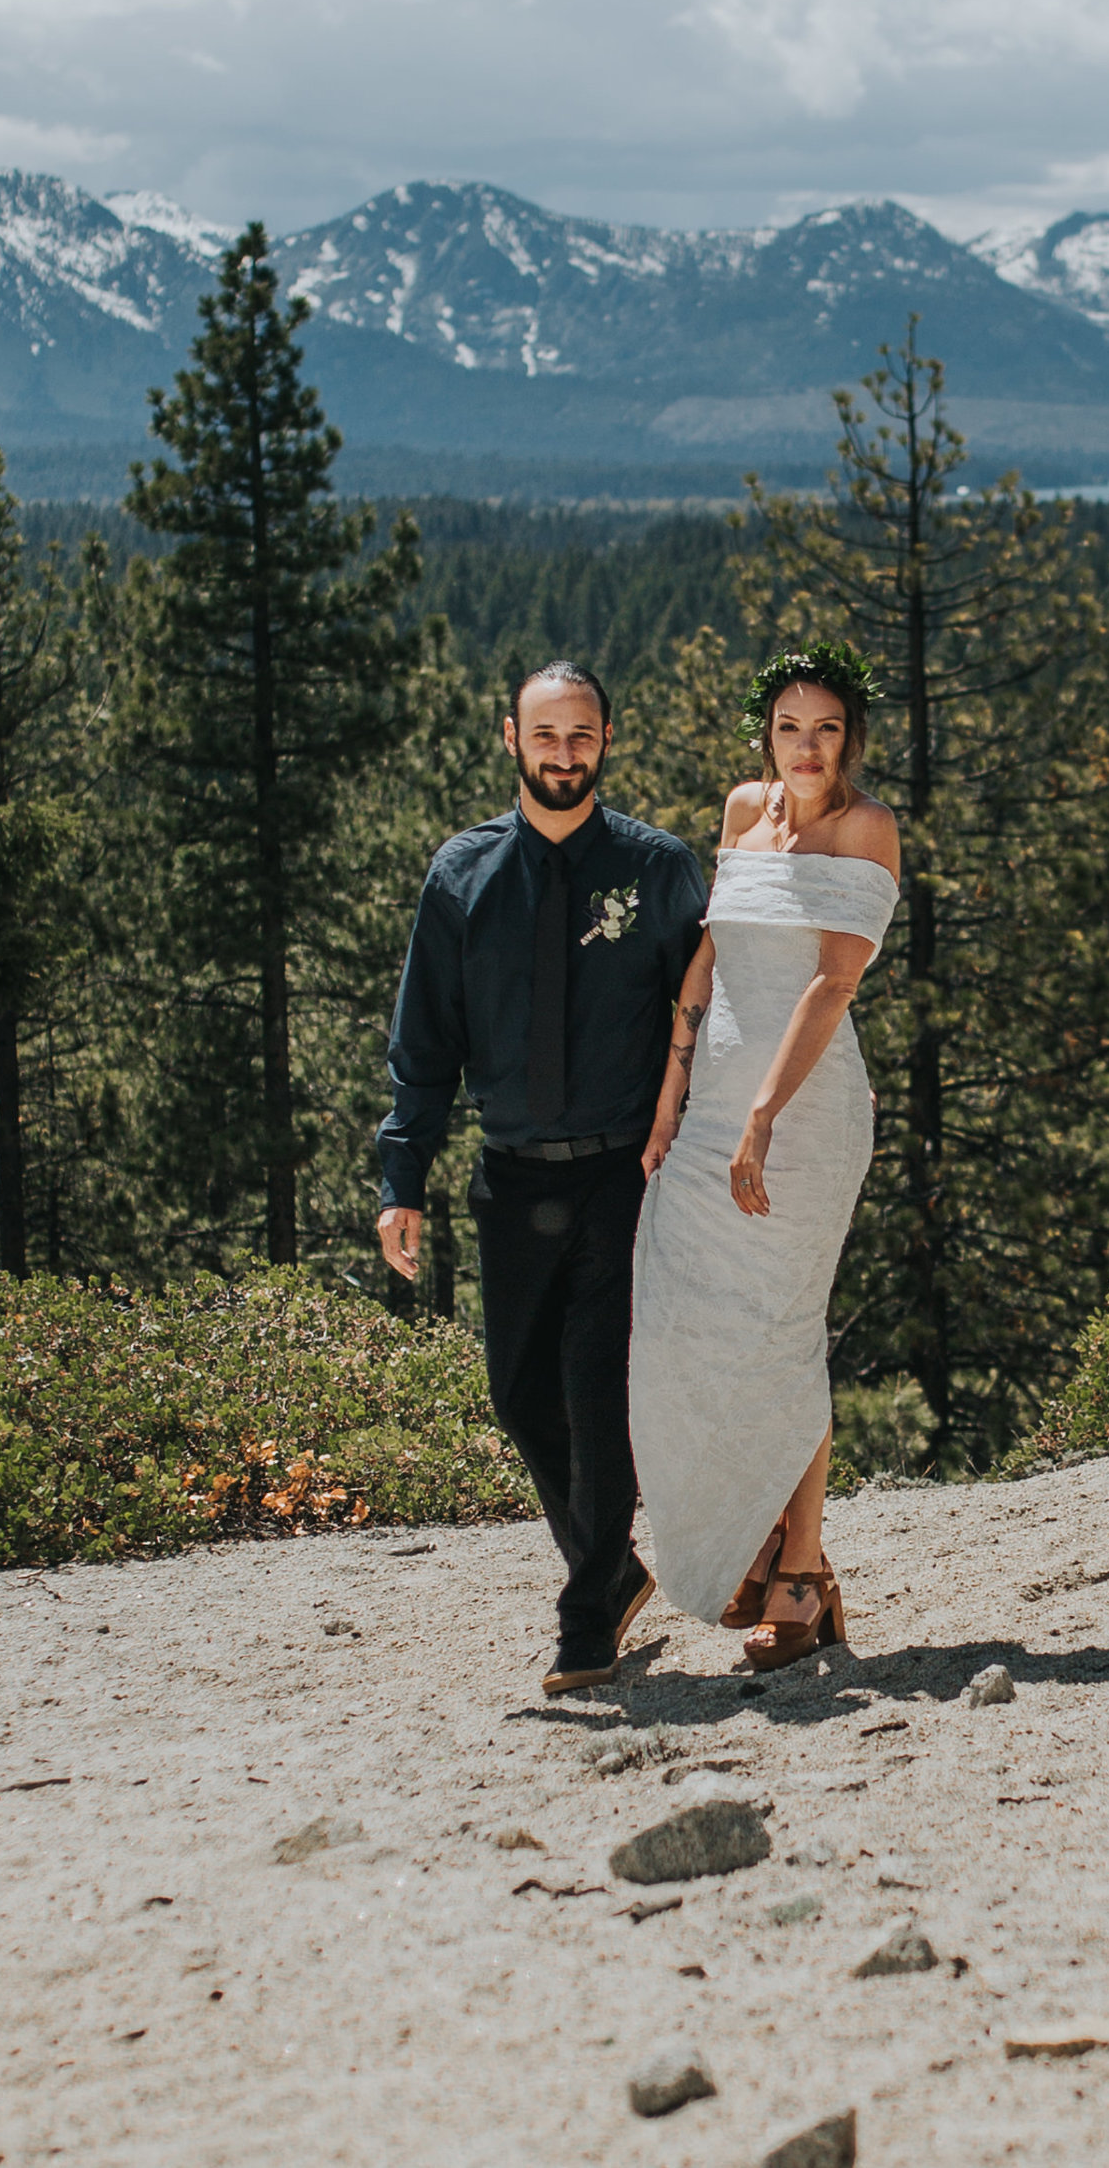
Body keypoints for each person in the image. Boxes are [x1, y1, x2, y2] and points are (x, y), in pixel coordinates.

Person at [377, 658, 709, 1697]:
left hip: (624, 1175)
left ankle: (584, 1620)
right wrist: (402, 1176)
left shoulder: (657, 870)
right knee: (518, 1397)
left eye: (581, 735)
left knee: (595, 1394)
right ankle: (612, 1569)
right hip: (508, 1178)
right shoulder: (461, 876)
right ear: (509, 739)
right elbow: (423, 1041)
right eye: (544, 735)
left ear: (607, 740)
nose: (562, 753)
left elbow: (702, 1021)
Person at [628, 638, 900, 1669]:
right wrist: (673, 1092)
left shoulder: (866, 827)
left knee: (783, 1334)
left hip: (803, 1118)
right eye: (790, 726)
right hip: (709, 1118)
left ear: (852, 740)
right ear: (766, 735)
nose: (807, 746)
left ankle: (800, 1564)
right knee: (690, 1324)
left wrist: (762, 1118)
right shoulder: (746, 811)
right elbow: (709, 952)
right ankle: (750, 1537)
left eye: (826, 729)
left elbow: (831, 984)